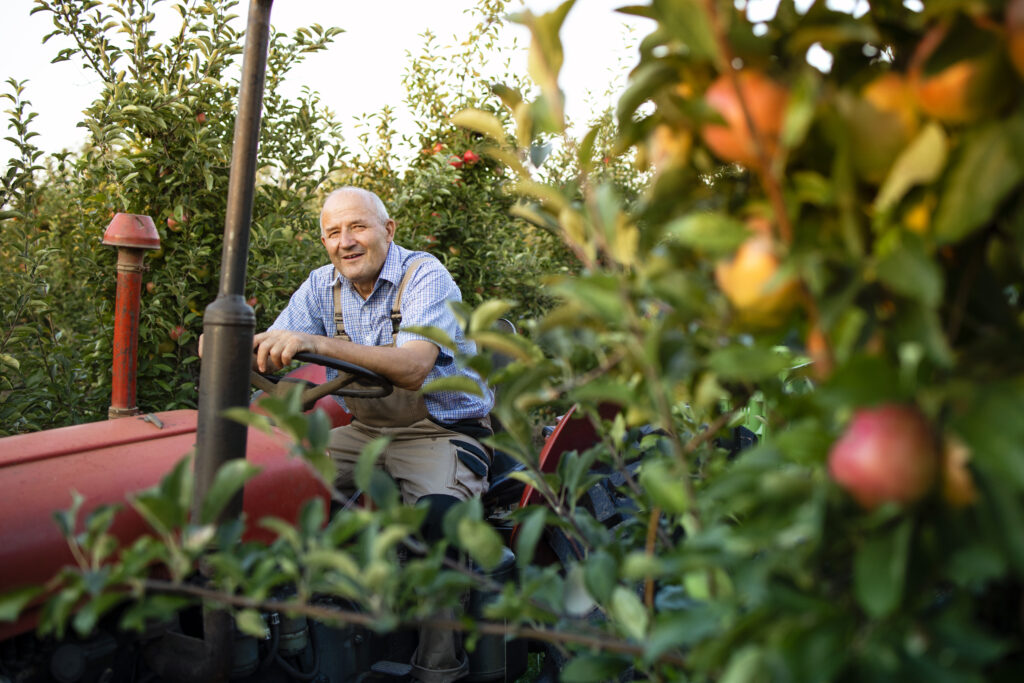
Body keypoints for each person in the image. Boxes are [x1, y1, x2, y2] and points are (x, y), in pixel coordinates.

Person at [253, 186, 493, 681]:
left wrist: (315, 342)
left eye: (358, 227)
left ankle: (437, 665)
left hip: (441, 430)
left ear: (388, 230)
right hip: (366, 431)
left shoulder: (424, 275)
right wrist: (232, 342)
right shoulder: (322, 286)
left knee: (438, 518)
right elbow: (277, 344)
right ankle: (285, 631)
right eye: (333, 233)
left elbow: (411, 367)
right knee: (273, 489)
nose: (346, 242)